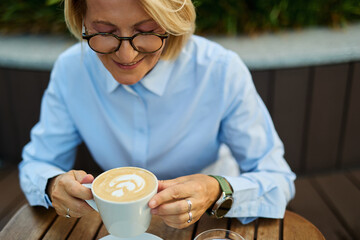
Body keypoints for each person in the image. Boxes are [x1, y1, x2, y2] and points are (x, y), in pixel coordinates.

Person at [19, 0, 296, 229]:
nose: (126, 56)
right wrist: (52, 185)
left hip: (211, 224)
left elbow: (278, 180)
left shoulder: (220, 70)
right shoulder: (71, 71)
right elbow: (37, 163)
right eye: (105, 32)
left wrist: (217, 190)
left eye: (147, 31)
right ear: (81, 22)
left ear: (172, 23)